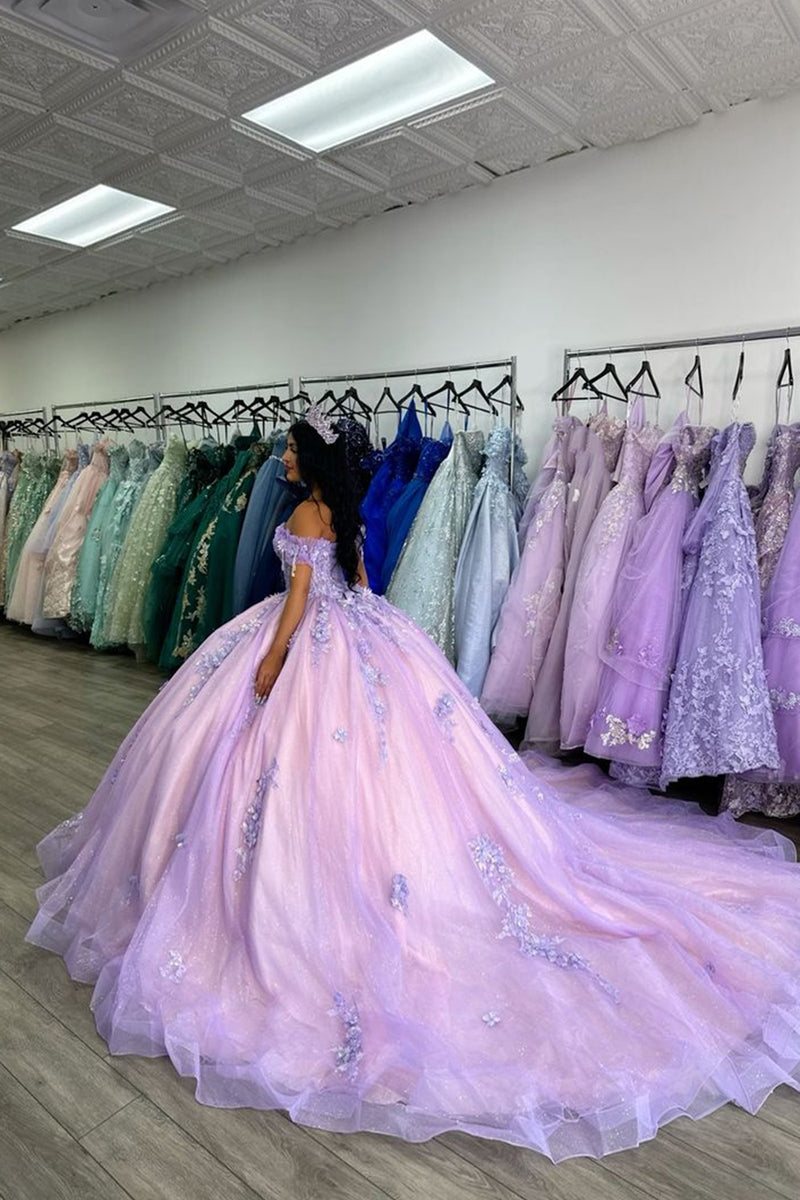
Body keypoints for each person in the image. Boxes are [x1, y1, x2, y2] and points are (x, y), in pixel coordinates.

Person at [26, 406, 800, 1163]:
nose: (286, 461)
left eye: (292, 453)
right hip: (367, 635)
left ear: (309, 461)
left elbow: (296, 604)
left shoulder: (303, 517)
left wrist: (269, 664)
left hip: (306, 645)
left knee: (277, 771)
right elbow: (359, 581)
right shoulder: (345, 512)